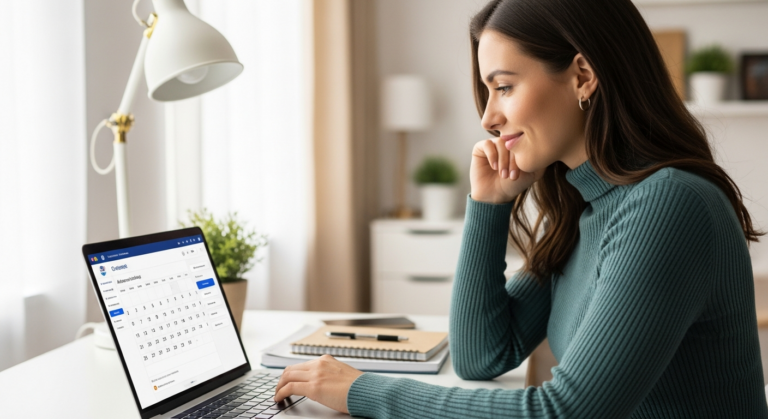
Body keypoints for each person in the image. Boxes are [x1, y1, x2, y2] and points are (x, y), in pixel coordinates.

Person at [273, 0, 768, 417]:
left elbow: (565, 412)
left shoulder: (667, 205)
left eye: (504, 86)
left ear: (582, 76)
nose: (488, 117)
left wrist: (361, 391)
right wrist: (488, 206)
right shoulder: (585, 209)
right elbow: (481, 354)